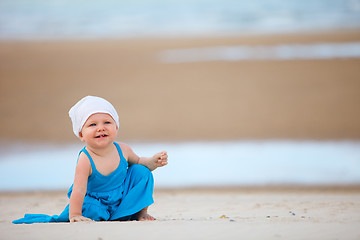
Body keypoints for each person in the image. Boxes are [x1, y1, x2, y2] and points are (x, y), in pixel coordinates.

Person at [13, 96, 168, 224]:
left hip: (120, 199)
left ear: (116, 127)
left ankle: (139, 213)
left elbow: (140, 161)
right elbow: (79, 190)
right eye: (92, 124)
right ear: (81, 135)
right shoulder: (85, 158)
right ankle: (99, 214)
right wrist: (75, 214)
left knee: (141, 172)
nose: (100, 128)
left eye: (107, 122)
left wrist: (153, 162)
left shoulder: (123, 149)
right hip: (96, 202)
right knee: (89, 206)